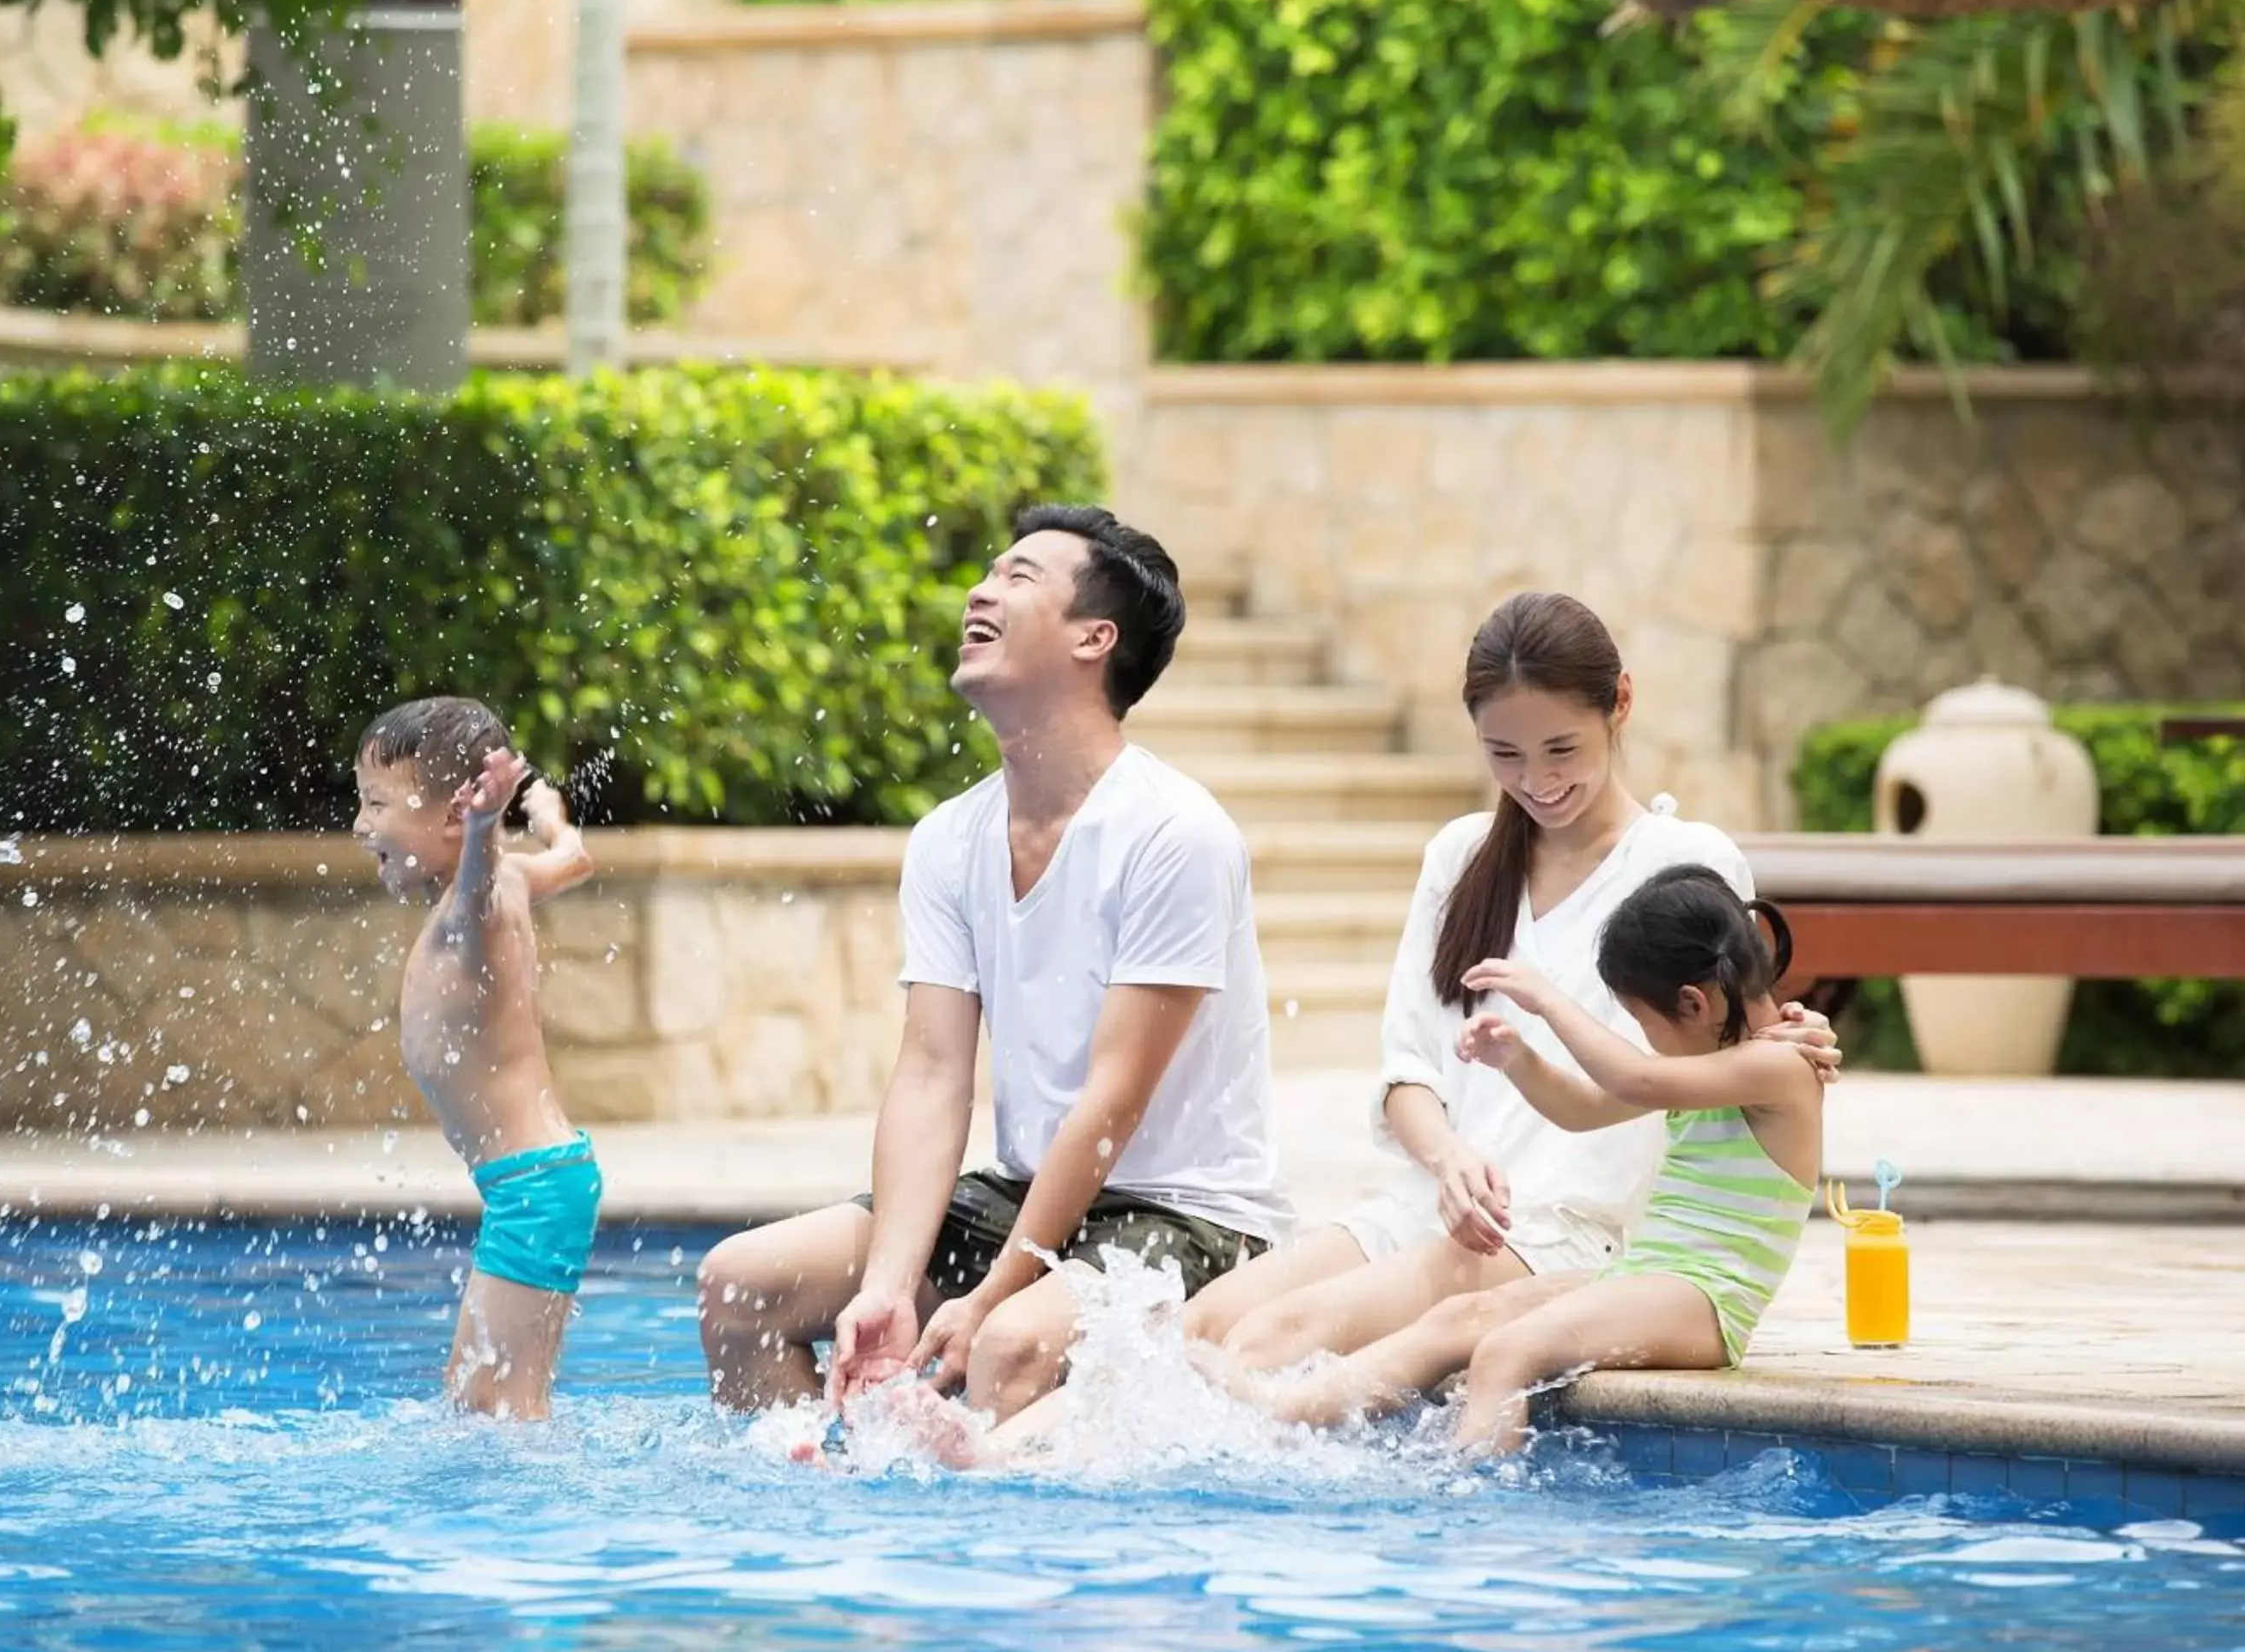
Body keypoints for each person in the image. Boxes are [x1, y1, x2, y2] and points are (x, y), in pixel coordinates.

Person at [696, 505, 1291, 1425]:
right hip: (1025, 1191)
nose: (981, 589)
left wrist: (989, 1294)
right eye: (989, 572)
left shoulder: (1177, 833)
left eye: (1019, 577)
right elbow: (932, 1073)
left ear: (1097, 637)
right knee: (738, 1283)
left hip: (1188, 1215)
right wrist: (891, 1287)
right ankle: (822, 1522)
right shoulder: (949, 836)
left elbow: (1112, 1098)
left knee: (1011, 1340)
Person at [1182, 592, 1836, 1374]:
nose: (1537, 781)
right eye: (1506, 754)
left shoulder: (1685, 862)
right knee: (1199, 1327)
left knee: (1271, 1340)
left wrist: (1795, 1035)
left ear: (1620, 703)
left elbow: (1713, 1050)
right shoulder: (1460, 858)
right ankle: (1012, 1466)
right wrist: (1449, 1159)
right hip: (1435, 1205)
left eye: (1562, 750)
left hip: (1563, 1231)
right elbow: (1408, 1071)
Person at [1197, 865, 1823, 1454]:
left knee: (1505, 1354)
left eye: (1640, 1019)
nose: (1644, 1038)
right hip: (1651, 1274)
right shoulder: (1715, 1065)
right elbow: (1582, 1107)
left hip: (1706, 1299)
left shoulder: (1781, 1067)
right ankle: (1289, 1409)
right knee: (1460, 1318)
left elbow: (1635, 1081)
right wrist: (1519, 1059)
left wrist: (1548, 1001)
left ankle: (1481, 1507)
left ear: (1695, 1004)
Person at [353, 696, 601, 1419]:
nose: (362, 824)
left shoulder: (481, 899)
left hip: (535, 1191)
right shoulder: (512, 881)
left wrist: (490, 824)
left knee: (501, 1411)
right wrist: (548, 818)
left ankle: (549, 1525)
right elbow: (574, 859)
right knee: (479, 1403)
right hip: (534, 1186)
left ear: (453, 816)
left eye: (377, 804)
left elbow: (478, 879)